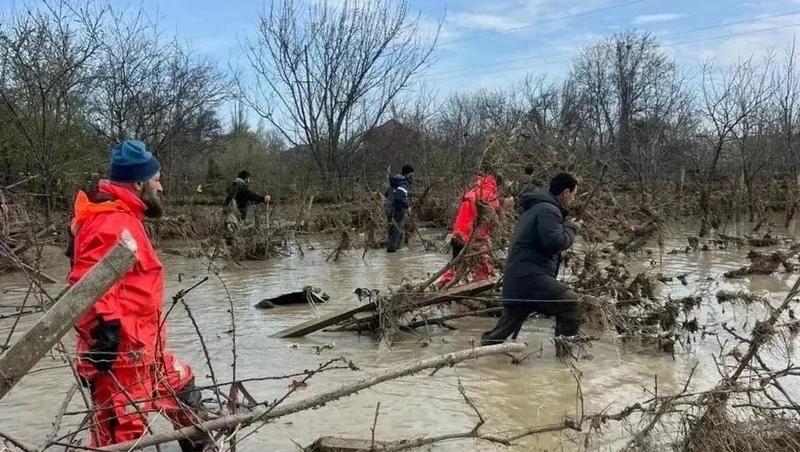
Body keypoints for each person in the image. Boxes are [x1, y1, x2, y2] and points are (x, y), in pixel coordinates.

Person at [67, 140, 205, 450]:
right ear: (139, 182)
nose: (161, 188)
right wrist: (106, 328)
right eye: (157, 180)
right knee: (123, 439)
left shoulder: (124, 218)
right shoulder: (111, 220)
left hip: (146, 353)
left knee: (184, 391)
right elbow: (88, 279)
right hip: (122, 360)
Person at [480, 173, 580, 356]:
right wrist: (572, 229)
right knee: (569, 302)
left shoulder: (537, 208)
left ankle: (476, 360)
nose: (574, 199)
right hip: (530, 278)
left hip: (518, 279)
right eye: (574, 194)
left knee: (498, 334)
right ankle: (565, 362)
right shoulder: (548, 210)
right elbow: (554, 242)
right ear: (566, 192)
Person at [438, 172, 501, 286]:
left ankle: (444, 281)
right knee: (483, 260)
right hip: (474, 233)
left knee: (455, 260)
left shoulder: (471, 192)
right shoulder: (489, 195)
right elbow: (493, 220)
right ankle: (480, 285)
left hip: (458, 231)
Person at [385, 164, 414, 252]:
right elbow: (399, 196)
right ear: (409, 174)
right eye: (412, 175)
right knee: (396, 233)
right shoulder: (404, 183)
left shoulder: (395, 181)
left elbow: (386, 194)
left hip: (389, 209)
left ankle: (395, 254)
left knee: (393, 232)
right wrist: (407, 206)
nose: (412, 177)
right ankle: (392, 255)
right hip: (397, 210)